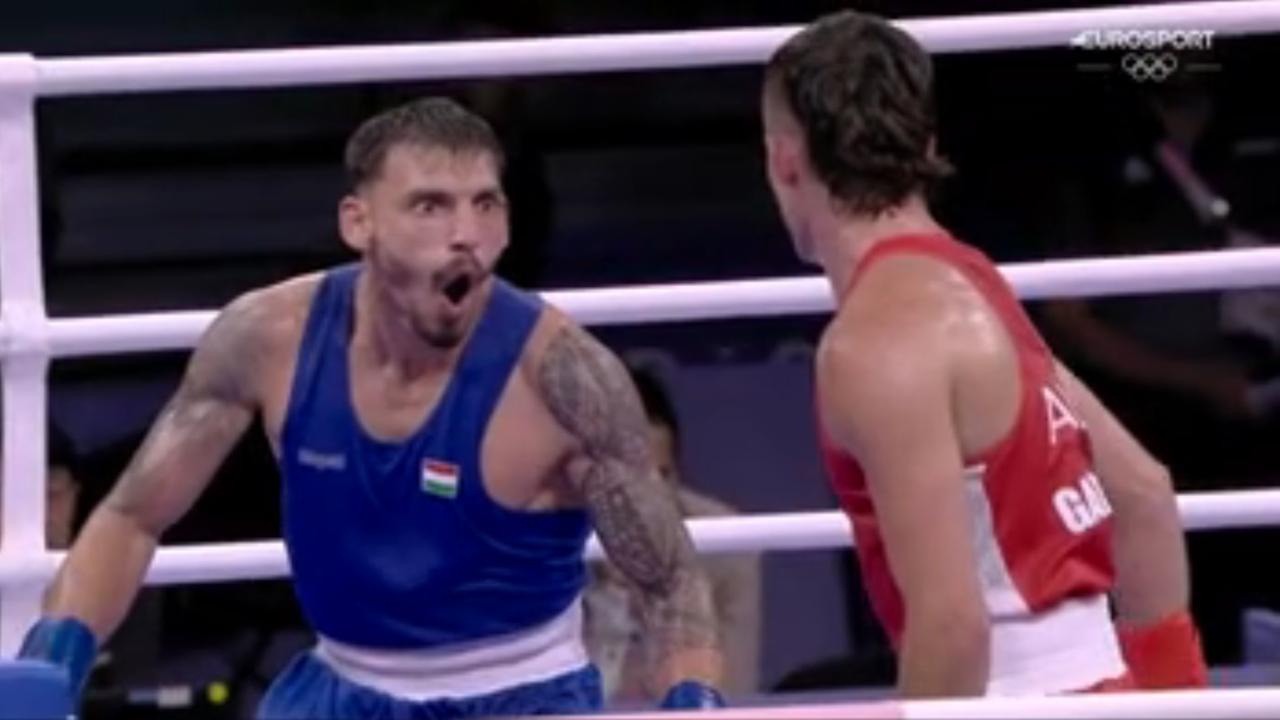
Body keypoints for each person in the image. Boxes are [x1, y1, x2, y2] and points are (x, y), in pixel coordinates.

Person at [16, 97, 725, 718]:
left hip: (525, 698)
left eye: (486, 203)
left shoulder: (566, 378)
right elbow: (133, 515)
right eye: (429, 205)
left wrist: (695, 709)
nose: (465, 234)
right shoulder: (268, 339)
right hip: (337, 691)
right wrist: (50, 669)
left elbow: (669, 580)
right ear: (359, 222)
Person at [760, 11, 1207, 697]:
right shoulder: (974, 285)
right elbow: (1143, 495)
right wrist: (1176, 704)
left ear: (784, 158)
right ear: (926, 142)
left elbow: (952, 626)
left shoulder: (874, 344)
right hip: (1100, 688)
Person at [584, 369, 761, 701]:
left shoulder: (726, 542)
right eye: (632, 480)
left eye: (663, 476)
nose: (650, 500)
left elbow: (735, 693)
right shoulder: (549, 542)